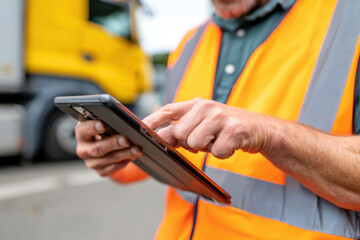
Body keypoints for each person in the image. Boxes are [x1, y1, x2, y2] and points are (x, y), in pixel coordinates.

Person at [75, 0, 360, 239]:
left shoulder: (349, 20)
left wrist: (271, 134)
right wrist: (112, 152)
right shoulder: (189, 43)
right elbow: (167, 149)